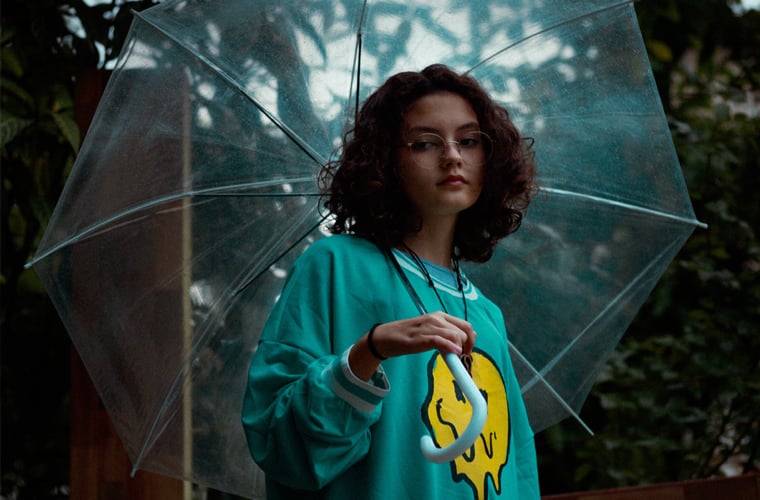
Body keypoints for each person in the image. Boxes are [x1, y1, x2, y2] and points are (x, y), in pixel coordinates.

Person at [242, 64, 539, 499]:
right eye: (425, 143)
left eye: (469, 140)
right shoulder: (334, 267)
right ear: (386, 160)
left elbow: (518, 474)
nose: (452, 156)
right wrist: (368, 352)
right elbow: (281, 444)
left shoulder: (486, 315)